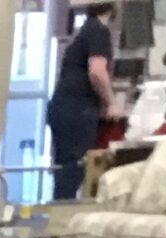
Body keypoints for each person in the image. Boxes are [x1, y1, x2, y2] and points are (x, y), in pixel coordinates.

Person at [47, 3, 117, 202]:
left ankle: (59, 215)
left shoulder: (85, 30)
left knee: (66, 173)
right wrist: (111, 102)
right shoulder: (98, 30)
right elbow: (97, 72)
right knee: (74, 171)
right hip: (78, 109)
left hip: (64, 107)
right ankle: (63, 218)